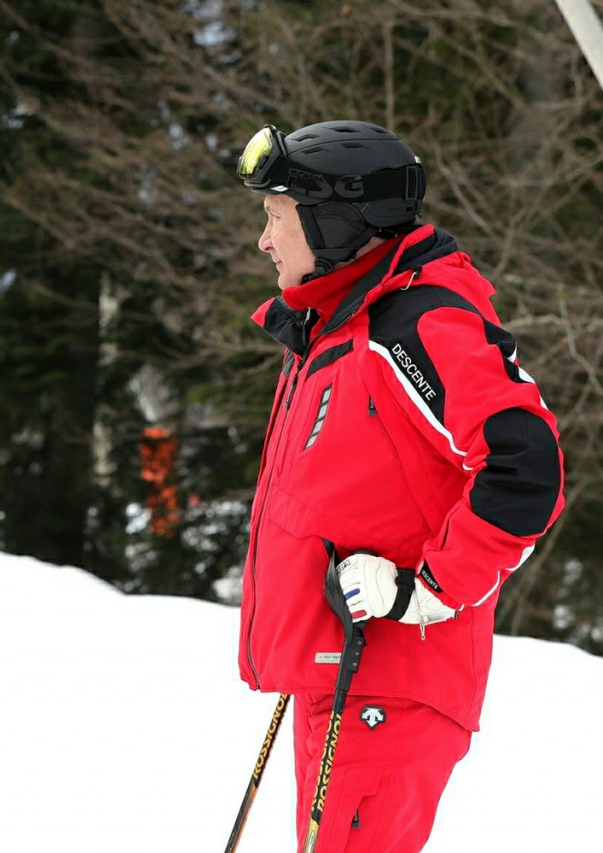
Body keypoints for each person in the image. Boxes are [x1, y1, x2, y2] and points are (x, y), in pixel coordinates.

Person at [234, 120, 563, 852]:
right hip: (341, 675)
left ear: (336, 222)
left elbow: (526, 467)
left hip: (388, 684)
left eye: (277, 218)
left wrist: (429, 589)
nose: (264, 240)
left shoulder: (414, 326)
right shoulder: (336, 326)